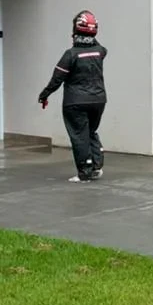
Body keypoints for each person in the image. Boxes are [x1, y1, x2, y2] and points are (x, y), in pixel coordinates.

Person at [38, 11, 108, 183]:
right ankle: (96, 166)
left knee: (79, 135)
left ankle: (84, 171)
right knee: (91, 132)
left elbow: (57, 79)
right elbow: (95, 43)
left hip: (75, 102)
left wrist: (44, 95)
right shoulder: (100, 51)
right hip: (98, 100)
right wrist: (89, 33)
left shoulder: (71, 54)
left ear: (75, 31)